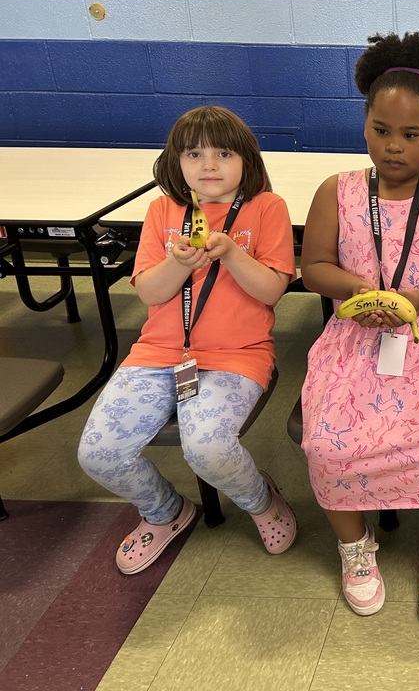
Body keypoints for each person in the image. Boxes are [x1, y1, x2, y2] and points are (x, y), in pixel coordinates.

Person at [300, 29, 419, 625]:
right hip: (357, 338)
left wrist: (405, 300)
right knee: (327, 443)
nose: (395, 147)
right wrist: (359, 292)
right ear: (364, 126)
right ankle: (356, 550)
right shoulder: (337, 191)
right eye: (382, 130)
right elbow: (313, 269)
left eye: (411, 135)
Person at [79, 105, 297, 575]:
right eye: (194, 153)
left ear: (248, 160)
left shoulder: (266, 208)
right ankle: (165, 512)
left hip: (237, 357)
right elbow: (151, 292)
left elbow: (273, 289)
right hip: (159, 354)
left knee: (207, 447)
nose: (209, 165)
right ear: (176, 162)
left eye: (224, 153)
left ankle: (261, 500)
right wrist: (180, 263)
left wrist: (233, 253)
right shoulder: (163, 210)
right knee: (98, 452)